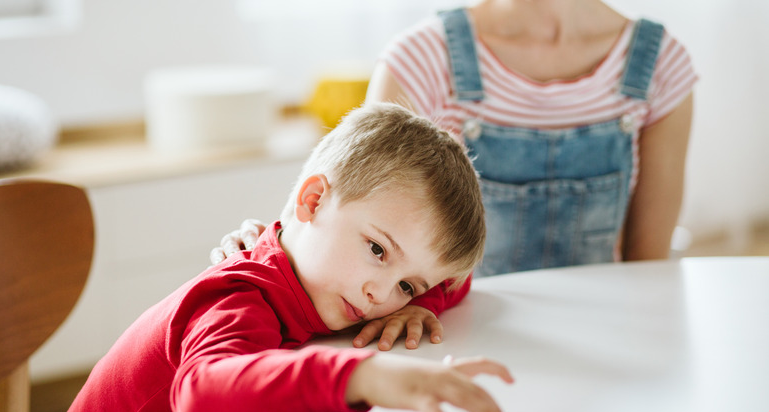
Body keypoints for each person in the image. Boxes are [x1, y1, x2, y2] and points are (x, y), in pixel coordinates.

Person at [212, 0, 697, 350]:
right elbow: (338, 205)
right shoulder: (423, 57)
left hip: (598, 341)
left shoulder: (660, 64)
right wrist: (258, 246)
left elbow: (646, 270)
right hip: (454, 340)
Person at [56, 103, 513, 412]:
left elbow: (454, 278)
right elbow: (200, 393)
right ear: (313, 201)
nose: (382, 295)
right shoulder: (241, 297)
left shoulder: (344, 284)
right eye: (377, 249)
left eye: (407, 284)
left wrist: (420, 304)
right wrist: (366, 376)